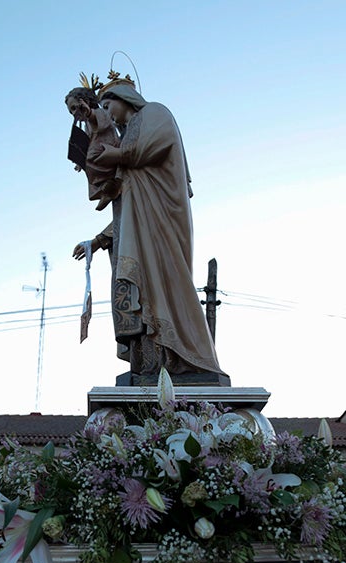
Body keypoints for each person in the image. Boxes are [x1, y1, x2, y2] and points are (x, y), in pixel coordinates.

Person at [74, 79, 228, 386]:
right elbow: (126, 205)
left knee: (166, 289)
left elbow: (154, 145)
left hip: (163, 228)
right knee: (140, 295)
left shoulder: (155, 113)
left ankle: (186, 359)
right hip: (141, 231)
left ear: (124, 97)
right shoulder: (126, 142)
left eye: (108, 105)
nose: (108, 114)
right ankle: (151, 366)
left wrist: (115, 156)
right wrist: (100, 239)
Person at [65, 85, 122, 211]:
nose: (74, 113)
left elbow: (102, 123)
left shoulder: (100, 112)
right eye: (71, 111)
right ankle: (106, 189)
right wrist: (79, 158)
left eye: (75, 108)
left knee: (91, 157)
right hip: (97, 147)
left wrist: (89, 113)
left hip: (108, 144)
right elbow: (87, 140)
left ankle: (110, 185)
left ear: (85, 101)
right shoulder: (86, 125)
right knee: (87, 163)